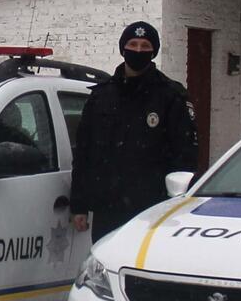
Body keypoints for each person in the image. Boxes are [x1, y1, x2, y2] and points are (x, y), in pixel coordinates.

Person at [69, 21, 199, 241]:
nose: (138, 50)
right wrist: (79, 205)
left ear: (154, 51)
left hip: (152, 209)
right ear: (123, 48)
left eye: (145, 46)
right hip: (108, 208)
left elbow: (185, 157)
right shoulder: (101, 96)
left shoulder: (170, 96)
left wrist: (177, 206)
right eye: (133, 44)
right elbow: (84, 154)